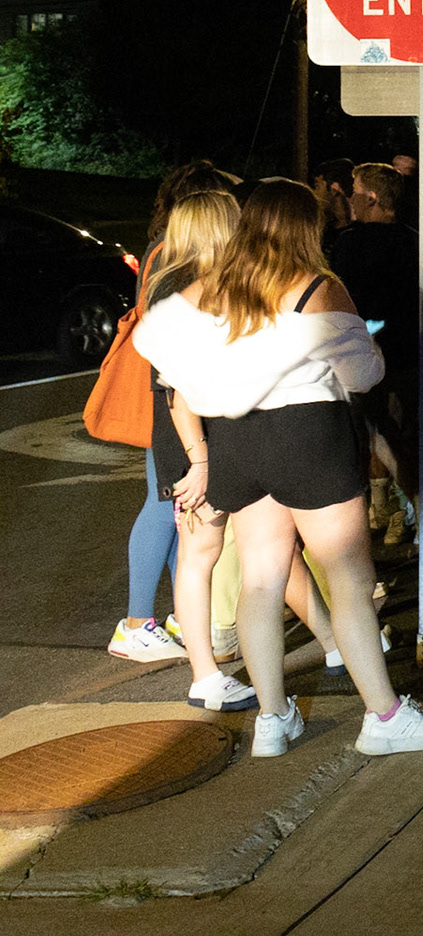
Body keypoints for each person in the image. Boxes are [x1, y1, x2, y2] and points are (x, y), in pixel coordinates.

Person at [134, 179, 423, 758]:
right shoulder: (318, 287)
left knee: (261, 578)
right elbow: (361, 376)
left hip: (236, 440)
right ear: (308, 228)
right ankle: (383, 715)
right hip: (309, 436)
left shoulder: (211, 287)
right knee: (349, 580)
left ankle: (272, 719)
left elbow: (155, 347)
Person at [108, 162, 234, 664]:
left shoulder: (168, 256)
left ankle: (176, 615)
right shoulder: (175, 267)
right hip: (171, 406)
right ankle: (137, 622)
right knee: (165, 504)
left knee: (172, 508)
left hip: (170, 403)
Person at [330, 161, 421, 542]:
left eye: (354, 189)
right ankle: (405, 507)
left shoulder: (349, 244)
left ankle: (385, 508)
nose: (349, 197)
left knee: (365, 436)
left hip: (359, 354)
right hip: (406, 350)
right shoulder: (415, 239)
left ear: (370, 198)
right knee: (397, 433)